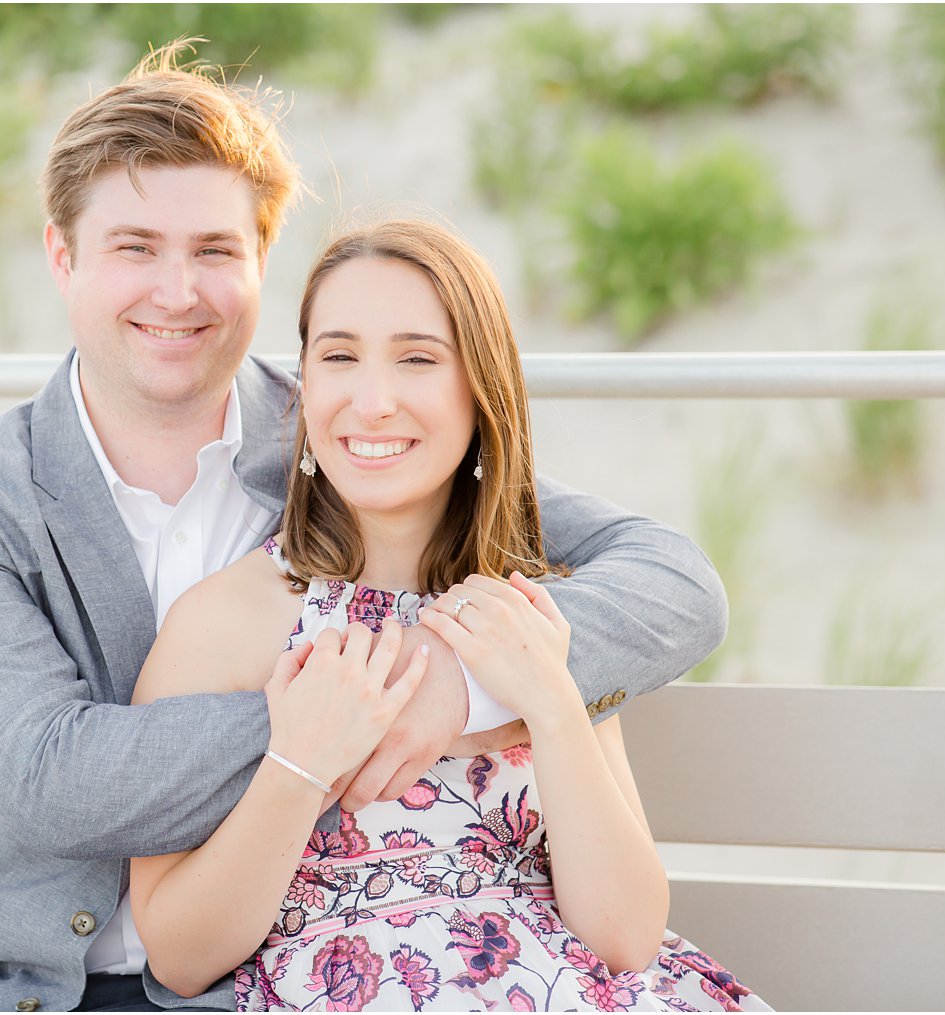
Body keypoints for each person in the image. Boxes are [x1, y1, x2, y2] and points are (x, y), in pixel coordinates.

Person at [0, 43, 727, 1013]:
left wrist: (466, 679)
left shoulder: (356, 435)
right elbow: (52, 780)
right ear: (63, 257)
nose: (177, 291)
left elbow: (664, 578)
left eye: (216, 250)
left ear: (263, 259)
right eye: (134, 247)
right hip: (8, 983)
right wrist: (352, 706)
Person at [129, 220, 768, 1012]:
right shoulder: (229, 622)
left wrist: (553, 705)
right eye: (337, 356)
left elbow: (626, 937)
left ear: (480, 391)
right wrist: (298, 766)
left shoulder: (530, 609)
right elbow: (180, 956)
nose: (371, 401)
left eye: (418, 358)